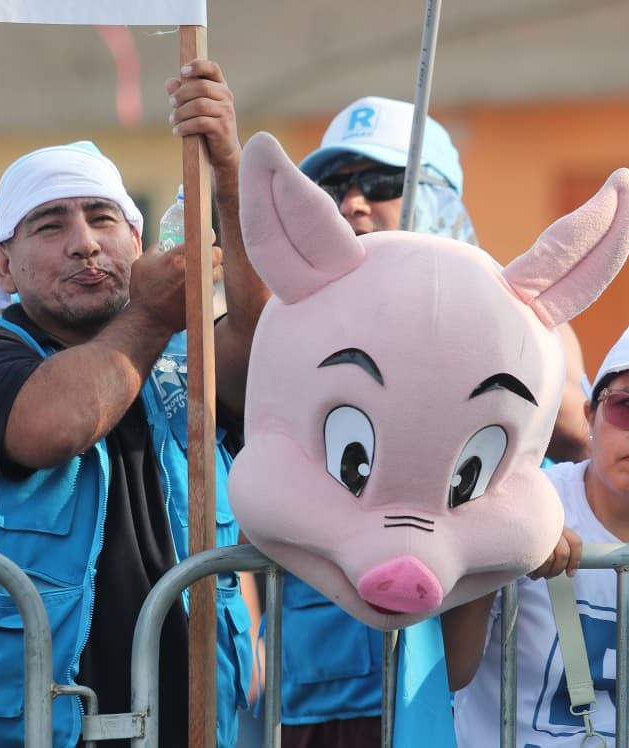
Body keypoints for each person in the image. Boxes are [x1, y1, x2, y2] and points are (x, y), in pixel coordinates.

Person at [0, 60, 265, 748]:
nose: (84, 242)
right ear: (4, 266)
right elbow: (49, 427)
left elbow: (271, 346)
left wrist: (230, 180)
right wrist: (153, 316)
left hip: (185, 725)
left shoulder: (190, 361)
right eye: (50, 226)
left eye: (101, 219)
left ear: (140, 241)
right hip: (18, 728)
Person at [254, 94, 593, 747]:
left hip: (443, 683)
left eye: (381, 183)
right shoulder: (294, 320)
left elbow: (574, 433)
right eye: (333, 187)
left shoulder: (516, 317)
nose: (353, 202)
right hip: (311, 687)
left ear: (442, 198)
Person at [446, 318, 629, 746]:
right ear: (590, 415)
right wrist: (507, 548)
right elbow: (452, 672)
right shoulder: (518, 501)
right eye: (628, 405)